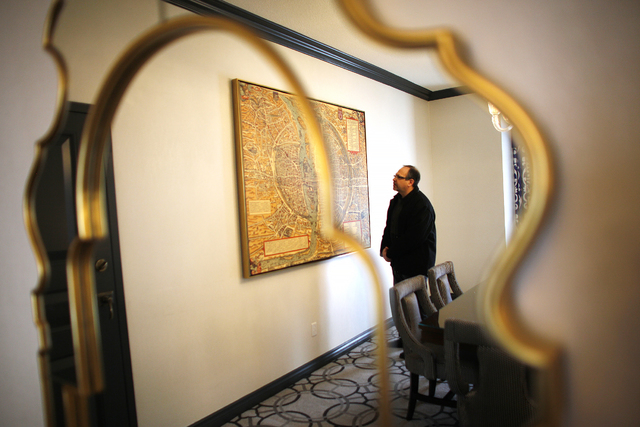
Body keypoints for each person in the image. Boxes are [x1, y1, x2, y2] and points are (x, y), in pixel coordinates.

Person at [381, 165, 437, 284]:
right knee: (400, 301)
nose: (394, 179)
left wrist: (390, 253)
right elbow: (389, 228)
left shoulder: (422, 205)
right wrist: (384, 249)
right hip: (398, 264)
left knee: (415, 302)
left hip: (415, 268)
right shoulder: (396, 201)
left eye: (399, 177)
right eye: (394, 176)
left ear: (410, 182)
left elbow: (413, 238)